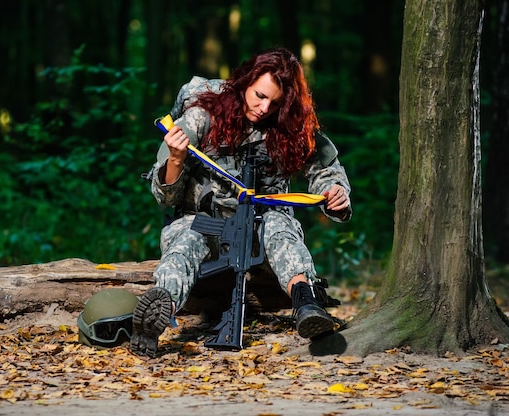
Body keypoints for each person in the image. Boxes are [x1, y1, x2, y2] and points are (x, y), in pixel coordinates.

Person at [131, 48, 352, 358]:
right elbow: (164, 197)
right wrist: (177, 158)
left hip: (260, 229)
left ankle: (306, 302)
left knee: (280, 224)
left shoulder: (290, 125)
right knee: (186, 242)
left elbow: (326, 171)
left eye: (274, 103)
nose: (264, 108)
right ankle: (157, 310)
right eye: (259, 95)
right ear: (245, 82)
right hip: (203, 223)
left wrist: (335, 194)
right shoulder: (202, 116)